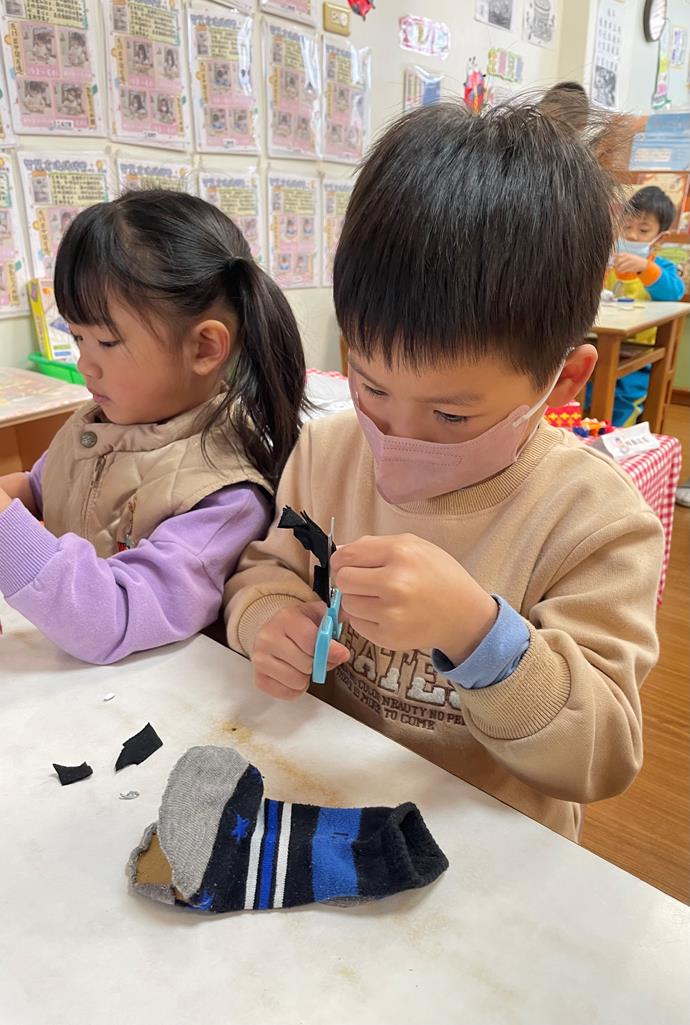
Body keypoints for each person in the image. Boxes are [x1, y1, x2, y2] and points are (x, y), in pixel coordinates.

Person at [225, 103, 664, 842]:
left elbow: (602, 755)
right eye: (371, 387)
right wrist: (266, 619)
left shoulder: (595, 520)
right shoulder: (327, 453)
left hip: (484, 847)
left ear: (564, 381)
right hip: (329, 805)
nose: (396, 437)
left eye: (452, 416)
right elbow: (265, 570)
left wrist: (477, 633)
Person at [0, 190, 306, 664]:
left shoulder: (225, 495)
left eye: (106, 342)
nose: (84, 365)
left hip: (157, 692)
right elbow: (40, 487)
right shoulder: (96, 424)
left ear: (204, 348)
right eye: (77, 338)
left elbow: (115, 618)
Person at [604, 185, 685, 426]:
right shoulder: (607, 265)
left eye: (643, 230)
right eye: (626, 227)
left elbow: (675, 292)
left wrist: (645, 268)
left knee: (624, 403)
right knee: (583, 396)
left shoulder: (661, 267)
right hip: (601, 348)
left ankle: (614, 438)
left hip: (640, 356)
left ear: (661, 238)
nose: (632, 236)